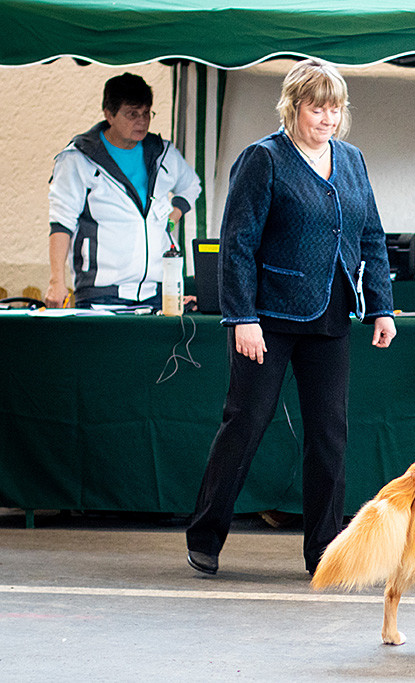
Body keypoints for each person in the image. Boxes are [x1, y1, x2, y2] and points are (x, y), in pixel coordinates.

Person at [185, 59, 396, 576]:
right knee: (246, 423)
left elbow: (370, 234)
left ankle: (324, 549)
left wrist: (382, 306)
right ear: (293, 107)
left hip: (331, 317)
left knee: (330, 432)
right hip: (268, 319)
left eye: (335, 108)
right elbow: (237, 245)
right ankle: (206, 534)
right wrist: (241, 318)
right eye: (316, 107)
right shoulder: (264, 158)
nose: (326, 118)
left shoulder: (352, 160)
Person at [46, 73, 201, 309]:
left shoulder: (163, 153)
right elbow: (61, 223)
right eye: (132, 114)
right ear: (109, 114)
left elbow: (192, 186)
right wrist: (57, 281)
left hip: (158, 292)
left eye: (146, 113)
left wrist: (173, 218)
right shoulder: (77, 160)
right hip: (101, 295)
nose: (141, 121)